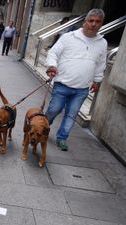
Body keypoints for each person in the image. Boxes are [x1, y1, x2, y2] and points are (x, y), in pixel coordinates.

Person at [44, 9, 107, 151]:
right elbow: (53, 52)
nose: (93, 24)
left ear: (101, 24)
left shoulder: (102, 43)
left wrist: (97, 81)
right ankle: (42, 127)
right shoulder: (68, 37)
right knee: (54, 109)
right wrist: (52, 65)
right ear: (85, 22)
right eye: (91, 21)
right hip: (62, 84)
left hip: (82, 88)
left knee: (71, 114)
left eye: (97, 22)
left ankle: (62, 138)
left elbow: (101, 64)